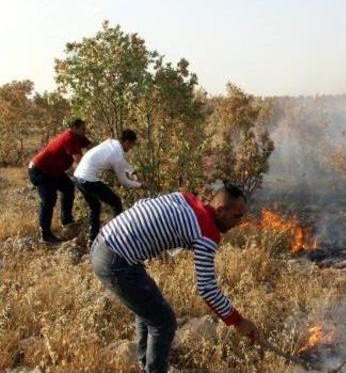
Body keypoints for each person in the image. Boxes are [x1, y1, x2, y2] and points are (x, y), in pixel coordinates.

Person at [90, 184, 259, 373]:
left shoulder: (186, 198)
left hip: (105, 241)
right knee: (164, 322)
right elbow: (207, 288)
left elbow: (142, 203)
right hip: (115, 261)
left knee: (149, 306)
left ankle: (145, 363)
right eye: (237, 216)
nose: (239, 222)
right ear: (220, 210)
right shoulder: (207, 231)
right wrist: (238, 321)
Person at [28, 118, 91, 244]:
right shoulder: (70, 137)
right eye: (83, 129)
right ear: (75, 128)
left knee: (68, 188)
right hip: (40, 170)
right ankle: (45, 235)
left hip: (54, 172)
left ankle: (66, 220)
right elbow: (79, 160)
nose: (85, 131)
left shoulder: (79, 137)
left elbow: (91, 145)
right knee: (49, 200)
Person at [74, 129, 143, 242]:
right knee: (116, 202)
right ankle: (118, 236)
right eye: (132, 145)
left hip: (78, 177)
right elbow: (124, 181)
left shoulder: (111, 142)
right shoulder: (117, 155)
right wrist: (139, 185)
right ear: (126, 142)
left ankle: (92, 239)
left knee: (95, 207)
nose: (131, 148)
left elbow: (121, 163)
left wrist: (132, 171)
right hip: (88, 180)